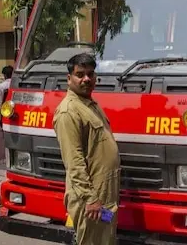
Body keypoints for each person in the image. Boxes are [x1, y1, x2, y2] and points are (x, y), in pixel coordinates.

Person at [53, 53, 120, 245]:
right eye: (80, 74)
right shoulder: (68, 112)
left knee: (105, 239)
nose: (86, 79)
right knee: (92, 241)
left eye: (90, 74)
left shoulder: (90, 104)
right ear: (69, 78)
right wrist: (90, 199)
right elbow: (74, 162)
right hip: (90, 199)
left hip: (104, 196)